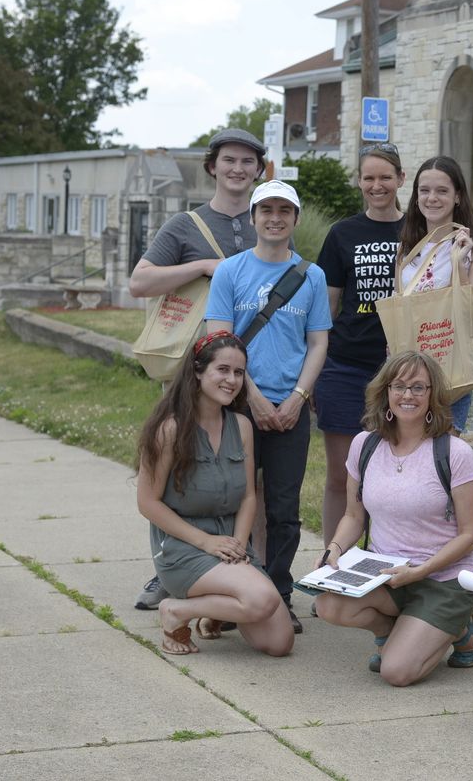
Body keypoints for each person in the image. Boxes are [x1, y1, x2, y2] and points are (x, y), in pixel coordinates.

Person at [129, 127, 265, 611]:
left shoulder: (266, 221)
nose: (237, 169)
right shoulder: (186, 226)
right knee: (178, 473)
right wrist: (204, 266)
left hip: (251, 372)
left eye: (247, 162)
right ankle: (167, 570)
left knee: (246, 482)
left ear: (259, 170)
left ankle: (246, 566)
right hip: (196, 375)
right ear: (212, 166)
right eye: (229, 160)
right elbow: (140, 281)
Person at [311, 352, 473, 686]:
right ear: (386, 392)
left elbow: (471, 534)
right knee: (328, 605)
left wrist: (420, 571)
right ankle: (391, 632)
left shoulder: (455, 452)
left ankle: (461, 628)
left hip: (444, 578)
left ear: (433, 395)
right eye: (400, 386)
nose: (408, 395)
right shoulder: (364, 445)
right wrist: (333, 549)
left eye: (419, 387)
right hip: (385, 572)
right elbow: (353, 515)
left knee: (396, 672)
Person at [206, 179, 331, 634]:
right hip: (236, 406)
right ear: (253, 217)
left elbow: (318, 342)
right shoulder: (230, 271)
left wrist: (298, 398)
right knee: (230, 500)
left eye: (284, 211)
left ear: (295, 218)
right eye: (266, 210)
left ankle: (278, 593)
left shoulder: (311, 276)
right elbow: (219, 341)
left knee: (283, 507)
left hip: (290, 409)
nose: (275, 218)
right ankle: (230, 592)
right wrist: (252, 397)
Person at [135, 330, 294, 657]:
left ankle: (214, 607)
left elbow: (248, 496)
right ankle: (176, 610)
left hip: (230, 545)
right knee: (261, 599)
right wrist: (207, 542)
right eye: (222, 370)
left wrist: (239, 545)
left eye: (239, 372)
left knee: (279, 643)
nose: (232, 380)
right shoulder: (170, 428)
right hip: (184, 548)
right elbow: (148, 503)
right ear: (198, 371)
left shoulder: (242, 426)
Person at [313, 143, 406, 542]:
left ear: (401, 179)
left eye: (385, 177)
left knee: (395, 479)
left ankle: (383, 561)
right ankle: (332, 563)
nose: (376, 185)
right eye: (368, 178)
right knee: (342, 476)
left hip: (403, 372)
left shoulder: (419, 231)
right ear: (359, 181)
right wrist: (315, 371)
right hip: (346, 367)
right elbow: (326, 309)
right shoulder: (342, 234)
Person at [396, 156, 473, 431]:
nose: (432, 198)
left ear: (457, 196)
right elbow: (400, 307)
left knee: (442, 450)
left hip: (450, 369)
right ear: (416, 196)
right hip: (408, 370)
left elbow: (472, 311)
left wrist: (458, 263)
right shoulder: (406, 249)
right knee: (405, 447)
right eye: (424, 190)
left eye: (442, 191)